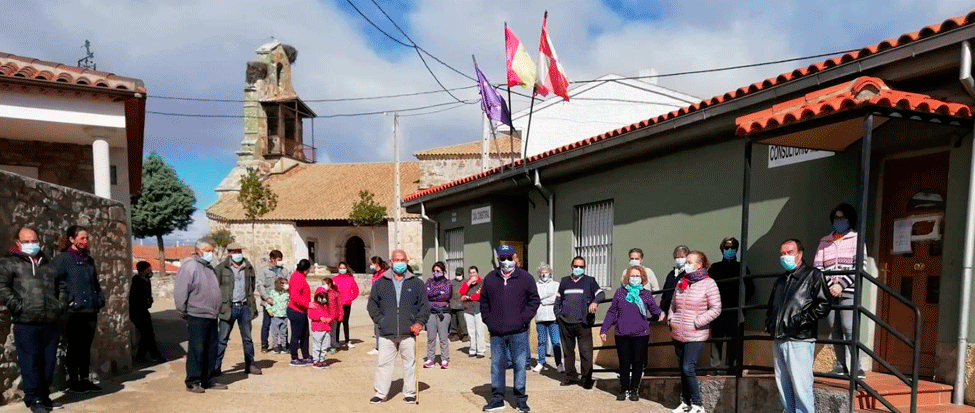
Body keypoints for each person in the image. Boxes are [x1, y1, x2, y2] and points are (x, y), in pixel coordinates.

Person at [0, 227, 66, 412]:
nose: (32, 244)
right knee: (30, 363)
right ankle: (34, 399)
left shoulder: (49, 263)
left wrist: (60, 305)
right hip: (25, 321)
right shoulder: (9, 263)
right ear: (18, 243)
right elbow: (2, 287)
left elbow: (61, 285)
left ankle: (44, 396)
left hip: (50, 320)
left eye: (34, 241)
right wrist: (18, 306)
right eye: (27, 241)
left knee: (48, 363)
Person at [767, 239, 831, 413]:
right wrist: (770, 325)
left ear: (800, 254)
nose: (785, 256)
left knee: (801, 387)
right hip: (779, 338)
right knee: (784, 386)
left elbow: (823, 305)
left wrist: (800, 321)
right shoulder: (781, 281)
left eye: (789, 252)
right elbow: (772, 306)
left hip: (800, 339)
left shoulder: (813, 275)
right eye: (782, 253)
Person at [480, 245, 540, 412]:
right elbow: (484, 302)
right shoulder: (490, 278)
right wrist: (489, 320)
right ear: (498, 259)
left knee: (520, 365)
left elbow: (534, 301)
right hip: (496, 332)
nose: (506, 261)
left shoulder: (526, 278)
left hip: (518, 331)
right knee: (497, 366)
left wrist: (523, 319)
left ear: (515, 257)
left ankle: (520, 399)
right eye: (502, 258)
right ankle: (497, 399)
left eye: (509, 258)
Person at [368, 250, 429, 404]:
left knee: (410, 364)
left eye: (402, 260)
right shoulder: (381, 283)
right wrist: (381, 321)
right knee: (384, 364)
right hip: (386, 332)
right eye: (396, 260)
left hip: (408, 332)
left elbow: (424, 306)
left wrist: (419, 322)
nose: (399, 263)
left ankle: (409, 392)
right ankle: (381, 393)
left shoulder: (417, 283)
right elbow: (372, 305)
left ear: (407, 261)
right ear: (391, 262)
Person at [53, 225, 104, 394]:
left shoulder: (89, 260)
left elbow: (95, 283)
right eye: (82, 238)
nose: (85, 241)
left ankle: (85, 379)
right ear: (71, 239)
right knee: (74, 346)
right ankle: (74, 380)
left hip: (90, 309)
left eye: (87, 238)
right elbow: (55, 283)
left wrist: (99, 299)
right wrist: (66, 302)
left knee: (85, 346)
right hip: (73, 311)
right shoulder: (62, 260)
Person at [668, 250, 721, 413]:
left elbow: (716, 308)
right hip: (678, 332)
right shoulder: (682, 281)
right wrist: (671, 319)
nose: (686, 265)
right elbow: (673, 304)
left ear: (700, 265)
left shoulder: (709, 283)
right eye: (686, 261)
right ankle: (686, 403)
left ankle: (698, 405)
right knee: (682, 369)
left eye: (690, 262)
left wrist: (697, 321)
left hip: (696, 334)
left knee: (688, 367)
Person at [601, 266, 662, 402]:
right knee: (624, 363)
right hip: (622, 333)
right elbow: (612, 311)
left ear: (642, 278)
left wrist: (661, 314)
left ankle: (634, 389)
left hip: (641, 334)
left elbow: (654, 309)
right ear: (627, 278)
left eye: (637, 276)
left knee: (637, 363)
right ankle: (624, 388)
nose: (635, 278)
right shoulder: (620, 292)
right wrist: (604, 329)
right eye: (632, 276)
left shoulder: (646, 294)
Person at [815, 203, 863, 378]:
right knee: (834, 329)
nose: (839, 221)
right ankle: (840, 365)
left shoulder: (857, 240)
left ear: (850, 219)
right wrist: (830, 286)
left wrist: (841, 285)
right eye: (836, 218)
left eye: (843, 218)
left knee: (849, 327)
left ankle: (856, 366)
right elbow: (818, 267)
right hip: (829, 292)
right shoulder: (824, 242)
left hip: (848, 291)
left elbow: (859, 266)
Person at [174, 238, 227, 393]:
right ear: (199, 251)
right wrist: (183, 311)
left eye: (212, 251)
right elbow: (180, 292)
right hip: (197, 315)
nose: (211, 254)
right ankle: (193, 381)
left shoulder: (209, 268)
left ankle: (207, 379)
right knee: (197, 349)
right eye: (208, 251)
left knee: (211, 349)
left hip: (211, 315)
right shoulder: (190, 267)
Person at [554, 256, 604, 390]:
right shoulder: (564, 281)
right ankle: (570, 377)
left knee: (586, 353)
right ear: (571, 266)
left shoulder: (589, 281)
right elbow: (558, 300)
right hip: (566, 323)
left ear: (584, 267)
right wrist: (559, 316)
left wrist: (595, 302)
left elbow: (601, 294)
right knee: (568, 352)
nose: (578, 268)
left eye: (581, 266)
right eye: (576, 266)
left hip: (583, 323)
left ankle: (586, 379)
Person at [213, 242, 262, 376]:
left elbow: (251, 285)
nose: (237, 254)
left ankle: (250, 365)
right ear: (229, 253)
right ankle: (216, 366)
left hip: (245, 307)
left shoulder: (248, 267)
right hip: (228, 308)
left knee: (248, 339)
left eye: (239, 251)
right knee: (222, 339)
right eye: (234, 252)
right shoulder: (221, 268)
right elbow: (215, 287)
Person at [708, 237, 754, 374]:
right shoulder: (715, 268)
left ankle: (732, 368)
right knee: (716, 339)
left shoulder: (742, 267)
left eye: (733, 247)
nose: (730, 250)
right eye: (727, 248)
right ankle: (714, 368)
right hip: (718, 310)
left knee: (734, 340)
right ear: (722, 249)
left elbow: (751, 288)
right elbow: (708, 287)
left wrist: (740, 303)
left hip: (735, 311)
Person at [131, 261, 164, 363]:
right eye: (148, 269)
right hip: (137, 311)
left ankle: (142, 355)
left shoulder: (146, 280)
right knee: (147, 333)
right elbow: (136, 298)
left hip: (144, 310)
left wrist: (149, 301)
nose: (150, 271)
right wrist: (145, 302)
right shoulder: (137, 281)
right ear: (142, 271)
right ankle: (153, 354)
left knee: (147, 333)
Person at [533, 263, 563, 373]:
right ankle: (541, 362)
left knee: (555, 342)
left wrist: (543, 300)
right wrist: (548, 296)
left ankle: (559, 364)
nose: (544, 274)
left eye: (546, 272)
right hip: (540, 317)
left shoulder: (556, 285)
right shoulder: (536, 285)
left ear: (550, 273)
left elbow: (556, 299)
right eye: (542, 272)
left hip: (553, 318)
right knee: (541, 342)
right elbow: (535, 299)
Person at [308, 278, 342, 369]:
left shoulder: (326, 306)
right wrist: (320, 318)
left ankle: (322, 359)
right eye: (320, 296)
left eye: (324, 296)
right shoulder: (314, 305)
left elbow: (332, 314)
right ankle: (316, 360)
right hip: (318, 329)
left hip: (326, 328)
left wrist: (330, 319)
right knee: (317, 346)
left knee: (324, 346)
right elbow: (311, 315)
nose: (322, 298)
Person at [424, 261, 452, 369]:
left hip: (443, 313)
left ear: (443, 271)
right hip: (431, 312)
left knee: (443, 337)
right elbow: (426, 294)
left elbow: (446, 296)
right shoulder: (429, 281)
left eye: (438, 271)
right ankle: (430, 359)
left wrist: (433, 294)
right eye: (434, 271)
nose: (436, 273)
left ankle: (444, 359)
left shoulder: (448, 283)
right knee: (431, 337)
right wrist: (439, 292)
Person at [257, 250, 286, 353]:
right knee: (266, 324)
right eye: (278, 260)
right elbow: (260, 286)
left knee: (283, 323)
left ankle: (283, 344)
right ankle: (264, 344)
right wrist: (266, 298)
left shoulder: (283, 271)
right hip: (269, 302)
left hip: (280, 303)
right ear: (272, 259)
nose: (280, 262)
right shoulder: (263, 271)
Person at [287, 259, 313, 366]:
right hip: (296, 310)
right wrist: (307, 304)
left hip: (302, 311)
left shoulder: (300, 276)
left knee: (305, 334)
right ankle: (294, 357)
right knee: (296, 335)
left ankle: (306, 355)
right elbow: (295, 296)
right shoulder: (297, 278)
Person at [459, 266, 486, 358]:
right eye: (470, 273)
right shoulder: (466, 283)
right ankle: (473, 349)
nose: (472, 274)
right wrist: (469, 283)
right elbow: (461, 292)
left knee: (479, 331)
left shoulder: (482, 283)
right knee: (471, 331)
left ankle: (481, 351)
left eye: (474, 272)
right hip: (468, 309)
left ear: (477, 273)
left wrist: (468, 297)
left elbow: (479, 296)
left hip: (478, 309)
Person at [332, 261, 360, 349]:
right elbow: (331, 290)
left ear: (346, 268)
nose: (342, 270)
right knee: (337, 323)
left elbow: (356, 291)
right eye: (341, 268)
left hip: (347, 303)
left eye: (344, 268)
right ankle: (336, 341)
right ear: (338, 268)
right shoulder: (334, 279)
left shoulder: (350, 278)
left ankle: (347, 340)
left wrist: (350, 298)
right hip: (337, 304)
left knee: (345, 322)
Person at [659, 245, 690, 320]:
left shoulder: (689, 273)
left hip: (682, 311)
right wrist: (661, 309)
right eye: (677, 257)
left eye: (682, 257)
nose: (679, 259)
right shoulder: (671, 274)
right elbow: (665, 293)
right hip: (668, 310)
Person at [367, 256, 389, 356]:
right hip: (375, 302)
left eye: (372, 263)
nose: (371, 266)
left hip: (383, 303)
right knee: (376, 326)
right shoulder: (375, 274)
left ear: (376, 264)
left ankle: (381, 347)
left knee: (381, 325)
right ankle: (378, 346)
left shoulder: (385, 274)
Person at [266, 277, 290, 354]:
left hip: (284, 315)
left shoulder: (287, 293)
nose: (284, 285)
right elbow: (268, 303)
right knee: (275, 333)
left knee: (283, 333)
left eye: (285, 283)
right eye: (282, 283)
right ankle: (276, 346)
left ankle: (284, 346)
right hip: (275, 316)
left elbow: (289, 302)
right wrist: (269, 311)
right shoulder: (272, 293)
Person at [449, 267, 469, 342]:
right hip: (453, 304)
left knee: (462, 321)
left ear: (462, 274)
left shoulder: (466, 281)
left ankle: (465, 334)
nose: (458, 276)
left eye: (459, 274)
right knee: (453, 321)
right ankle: (454, 334)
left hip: (462, 305)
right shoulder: (452, 282)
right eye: (457, 274)